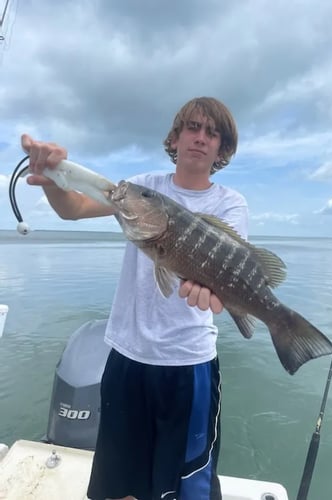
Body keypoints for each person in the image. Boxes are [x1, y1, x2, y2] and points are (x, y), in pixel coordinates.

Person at [22, 97, 249, 500]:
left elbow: (226, 280)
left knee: (186, 483)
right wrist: (54, 178)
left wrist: (220, 297)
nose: (201, 138)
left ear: (222, 149)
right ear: (175, 137)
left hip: (187, 362)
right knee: (120, 479)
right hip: (126, 356)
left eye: (212, 134)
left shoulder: (230, 203)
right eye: (193, 128)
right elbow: (73, 208)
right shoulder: (144, 188)